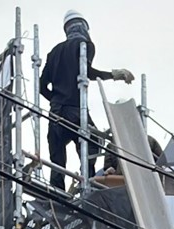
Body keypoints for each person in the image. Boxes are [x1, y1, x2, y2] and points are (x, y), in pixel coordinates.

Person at [39, 10, 135, 191]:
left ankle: (56, 195)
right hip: (75, 109)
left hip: (56, 112)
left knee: (57, 158)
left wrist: (57, 100)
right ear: (84, 27)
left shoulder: (54, 53)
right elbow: (86, 72)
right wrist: (114, 74)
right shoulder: (85, 45)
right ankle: (87, 184)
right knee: (93, 142)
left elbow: (41, 86)